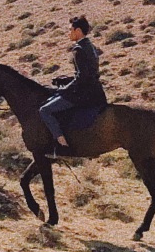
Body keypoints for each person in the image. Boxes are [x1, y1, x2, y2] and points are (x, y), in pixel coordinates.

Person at [37, 14, 107, 156]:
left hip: (83, 93)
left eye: (70, 30)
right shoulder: (90, 46)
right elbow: (88, 73)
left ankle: (63, 147)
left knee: (45, 110)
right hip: (95, 91)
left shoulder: (78, 49)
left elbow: (82, 77)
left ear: (78, 31)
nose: (68, 33)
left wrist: (64, 90)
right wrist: (66, 80)